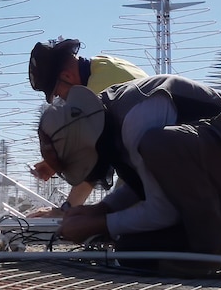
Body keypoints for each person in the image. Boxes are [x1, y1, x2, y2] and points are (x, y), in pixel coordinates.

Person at [36, 74, 221, 268]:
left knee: (157, 145)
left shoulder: (138, 118)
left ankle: (220, 244)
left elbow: (162, 209)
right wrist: (100, 210)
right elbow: (146, 184)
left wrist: (100, 223)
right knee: (133, 250)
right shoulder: (106, 117)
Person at [27, 38, 148, 214]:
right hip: (169, 148)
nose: (64, 100)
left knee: (122, 224)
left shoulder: (97, 94)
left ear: (66, 76)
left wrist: (65, 212)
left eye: (59, 93)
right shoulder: (104, 64)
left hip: (158, 163)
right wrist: (56, 162)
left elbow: (93, 164)